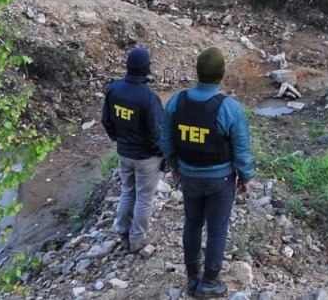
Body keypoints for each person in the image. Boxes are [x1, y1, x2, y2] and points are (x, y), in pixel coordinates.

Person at [161, 47, 255, 299]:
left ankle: (192, 278)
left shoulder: (176, 101)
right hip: (220, 180)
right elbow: (241, 147)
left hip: (189, 177)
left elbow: (167, 140)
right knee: (216, 230)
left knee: (191, 223)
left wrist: (174, 166)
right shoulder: (229, 107)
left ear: (197, 72)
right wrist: (245, 177)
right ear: (221, 75)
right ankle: (210, 282)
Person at [101, 47, 164, 254]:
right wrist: (163, 155)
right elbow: (156, 133)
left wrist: (118, 139)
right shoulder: (148, 98)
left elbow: (106, 120)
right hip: (146, 158)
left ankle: (123, 232)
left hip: (124, 152)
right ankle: (138, 239)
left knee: (127, 192)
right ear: (146, 69)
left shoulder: (114, 89)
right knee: (145, 197)